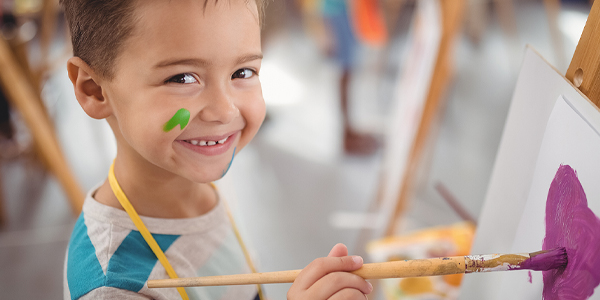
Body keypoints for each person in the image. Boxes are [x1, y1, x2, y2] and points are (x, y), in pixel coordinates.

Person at [60, 0, 373, 299]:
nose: (225, 111)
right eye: (182, 78)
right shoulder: (113, 288)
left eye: (243, 72)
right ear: (94, 90)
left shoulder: (198, 178)